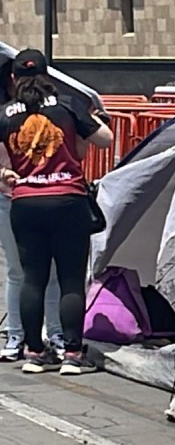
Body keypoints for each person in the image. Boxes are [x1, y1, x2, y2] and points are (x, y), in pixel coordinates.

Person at [0, 50, 113, 375]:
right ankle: (72, 353)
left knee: (32, 278)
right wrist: (91, 128)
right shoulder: (66, 104)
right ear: (47, 75)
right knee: (70, 280)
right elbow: (105, 140)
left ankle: (34, 352)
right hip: (67, 200)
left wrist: (5, 175)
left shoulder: (6, 112)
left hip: (26, 202)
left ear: (13, 78)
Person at [0, 60, 63, 361]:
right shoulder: (59, 109)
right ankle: (48, 335)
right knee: (40, 273)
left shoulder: (10, 112)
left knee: (21, 272)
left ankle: (23, 336)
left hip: (18, 198)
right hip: (35, 196)